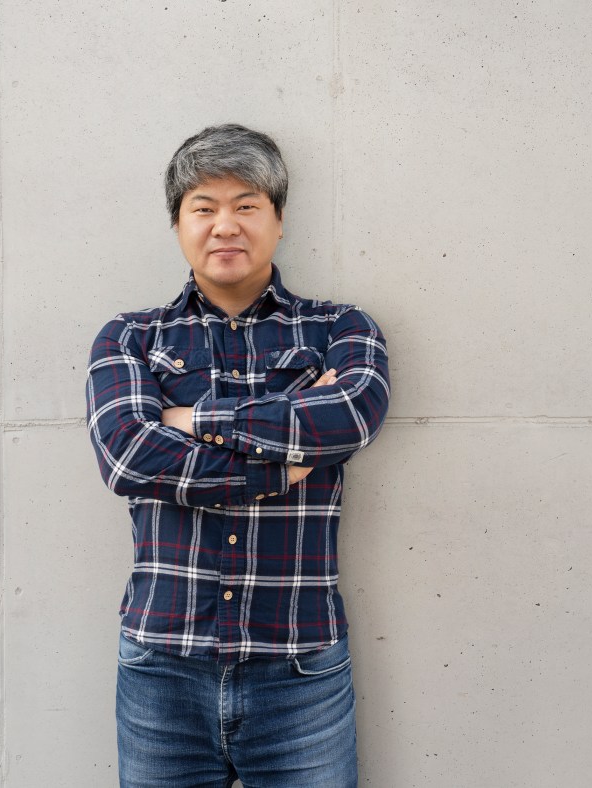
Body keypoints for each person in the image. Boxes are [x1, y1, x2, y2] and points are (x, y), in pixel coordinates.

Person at [85, 123, 390, 787]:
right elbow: (128, 456)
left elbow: (352, 414)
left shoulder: (340, 329)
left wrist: (193, 419)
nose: (225, 225)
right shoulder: (130, 337)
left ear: (279, 220)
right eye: (204, 207)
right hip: (162, 667)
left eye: (246, 205)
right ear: (178, 224)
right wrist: (282, 463)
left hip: (301, 667)